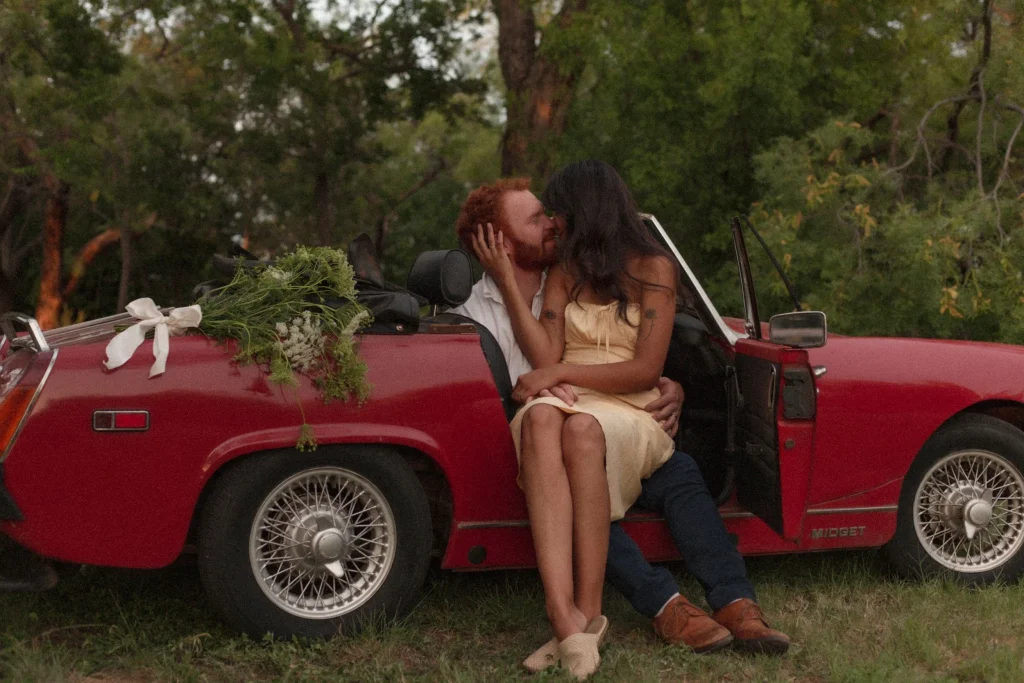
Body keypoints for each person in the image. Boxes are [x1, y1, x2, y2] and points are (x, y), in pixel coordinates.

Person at [450, 169, 790, 672]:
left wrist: (666, 384)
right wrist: (511, 293)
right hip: (560, 426)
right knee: (569, 434)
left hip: (618, 410)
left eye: (556, 213)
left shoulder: (643, 269)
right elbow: (541, 361)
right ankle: (628, 611)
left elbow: (636, 367)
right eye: (542, 217)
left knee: (681, 477)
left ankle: (735, 602)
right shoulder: (518, 293)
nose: (552, 223)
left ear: (585, 215)